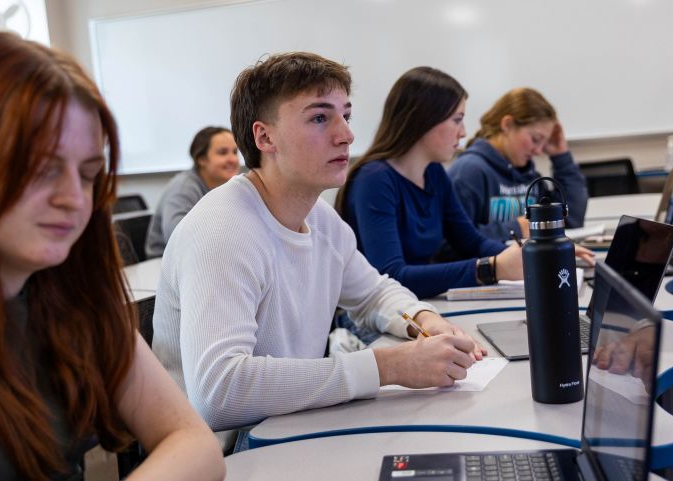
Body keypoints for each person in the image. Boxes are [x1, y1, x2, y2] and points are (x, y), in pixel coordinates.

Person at [0, 33, 224, 480]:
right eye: (44, 169)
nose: (74, 198)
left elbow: (194, 443)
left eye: (88, 175)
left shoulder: (72, 297)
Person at [152, 52, 487, 432]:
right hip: (223, 452)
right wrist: (389, 367)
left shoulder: (318, 216)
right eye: (319, 117)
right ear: (265, 136)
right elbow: (219, 393)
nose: (346, 134)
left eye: (346, 115)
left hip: (287, 424)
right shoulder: (222, 229)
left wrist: (425, 321)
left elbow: (374, 293)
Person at [335, 67, 523, 299]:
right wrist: (491, 268)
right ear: (424, 120)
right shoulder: (374, 180)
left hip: (418, 306)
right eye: (457, 120)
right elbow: (391, 277)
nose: (463, 133)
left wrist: (534, 256)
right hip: (374, 321)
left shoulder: (434, 173)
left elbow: (471, 242)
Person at [447, 87, 588, 241]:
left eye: (544, 143)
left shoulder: (530, 176)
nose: (539, 151)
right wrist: (517, 228)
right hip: (490, 264)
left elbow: (571, 221)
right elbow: (452, 243)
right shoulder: (469, 172)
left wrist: (561, 156)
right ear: (507, 124)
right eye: (535, 139)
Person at [145, 126, 239, 257]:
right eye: (223, 153)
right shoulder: (183, 187)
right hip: (164, 263)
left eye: (235, 152)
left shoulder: (229, 188)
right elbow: (177, 238)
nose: (233, 159)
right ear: (202, 159)